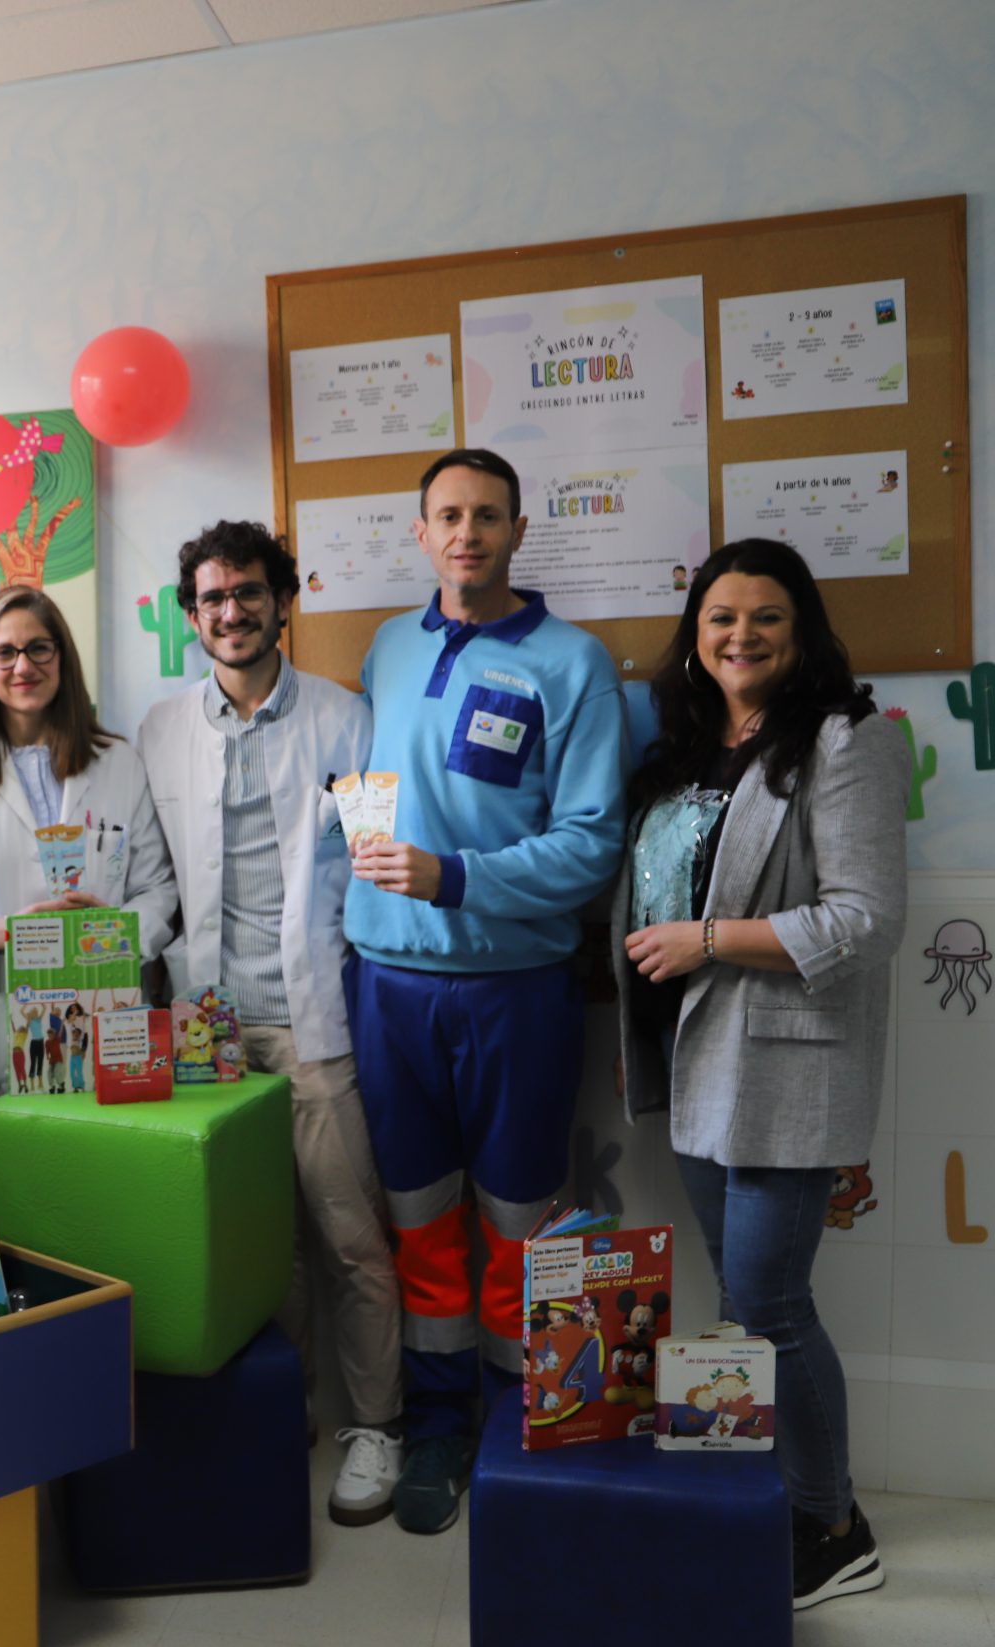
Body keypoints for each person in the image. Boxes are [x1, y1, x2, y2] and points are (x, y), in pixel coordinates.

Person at [613, 538, 906, 1610]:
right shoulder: (690, 746)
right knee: (743, 1299)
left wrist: (707, 939)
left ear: (802, 630)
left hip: (786, 1064)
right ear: (695, 635)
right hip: (697, 1057)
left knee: (773, 1305)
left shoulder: (843, 739)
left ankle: (833, 1526)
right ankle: (774, 1500)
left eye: (766, 617)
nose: (741, 635)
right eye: (721, 617)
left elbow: (866, 919)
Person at [344, 448, 630, 1536]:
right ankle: (435, 1424)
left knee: (518, 1225)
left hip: (515, 992)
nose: (467, 533)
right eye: (449, 515)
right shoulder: (387, 646)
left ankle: (517, 1421)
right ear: (420, 531)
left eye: (488, 516)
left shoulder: (574, 663)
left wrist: (453, 877)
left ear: (519, 531)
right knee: (418, 1225)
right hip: (388, 986)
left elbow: (592, 845)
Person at [136, 519, 409, 1526]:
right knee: (261, 1246)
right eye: (212, 597)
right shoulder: (161, 729)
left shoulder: (345, 718)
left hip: (310, 1021)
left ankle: (376, 1426)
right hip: (205, 1033)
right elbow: (155, 879)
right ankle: (283, 1408)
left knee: (349, 1237)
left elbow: (375, 863)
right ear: (191, 614)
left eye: (249, 591)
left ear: (281, 600)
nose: (231, 611)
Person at [0, 582, 176, 1184]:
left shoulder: (119, 763)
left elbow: (159, 888)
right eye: (4, 652)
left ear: (62, 656)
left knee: (94, 1205)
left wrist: (113, 934)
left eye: (39, 648)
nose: (23, 666)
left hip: (104, 1020)